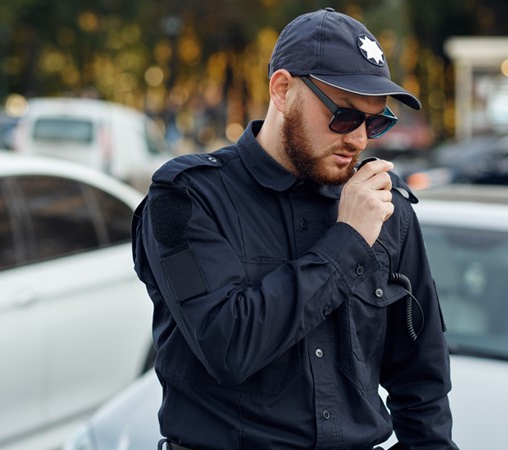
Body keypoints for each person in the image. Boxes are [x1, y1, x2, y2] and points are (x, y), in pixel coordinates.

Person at [132, 7, 457, 449]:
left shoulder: (385, 206)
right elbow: (227, 346)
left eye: (376, 121)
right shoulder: (186, 197)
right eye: (344, 116)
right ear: (283, 90)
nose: (359, 139)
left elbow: (423, 380)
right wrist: (347, 241)